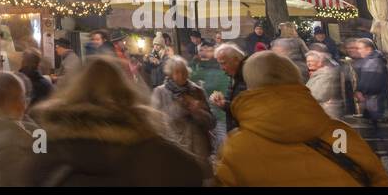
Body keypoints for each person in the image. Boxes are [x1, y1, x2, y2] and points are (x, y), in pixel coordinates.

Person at [23, 56, 205, 186]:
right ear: (125, 91)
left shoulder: (44, 138)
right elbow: (192, 172)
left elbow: (30, 173)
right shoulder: (147, 142)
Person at [214, 52, 388, 187]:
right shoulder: (338, 134)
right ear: (295, 78)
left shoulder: (236, 148)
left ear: (249, 86)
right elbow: (378, 178)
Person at [149, 56, 215, 174]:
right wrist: (181, 108)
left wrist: (198, 112)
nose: (182, 74)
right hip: (175, 149)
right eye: (177, 72)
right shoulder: (160, 92)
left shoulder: (197, 91)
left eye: (184, 71)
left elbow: (211, 123)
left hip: (199, 150)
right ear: (170, 74)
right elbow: (154, 123)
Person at [348, 38, 388, 178]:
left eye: (360, 48)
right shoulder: (370, 61)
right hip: (372, 105)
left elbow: (372, 84)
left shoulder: (374, 61)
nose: (358, 51)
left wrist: (360, 91)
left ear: (368, 48)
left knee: (384, 138)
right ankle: (382, 167)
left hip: (377, 104)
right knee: (377, 137)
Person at [190, 41, 232, 151]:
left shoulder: (219, 68)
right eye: (202, 50)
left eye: (208, 50)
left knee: (222, 146)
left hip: (220, 112)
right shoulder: (198, 66)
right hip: (207, 113)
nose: (204, 52)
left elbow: (216, 85)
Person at [211, 43, 247, 131]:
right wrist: (223, 102)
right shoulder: (234, 75)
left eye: (223, 63)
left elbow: (248, 109)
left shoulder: (248, 76)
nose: (221, 68)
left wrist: (225, 104)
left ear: (236, 60)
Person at [306, 50, 344, 119]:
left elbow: (319, 95)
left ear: (320, 62)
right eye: (307, 61)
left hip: (326, 112)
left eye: (311, 61)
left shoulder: (327, 74)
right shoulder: (317, 74)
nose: (309, 63)